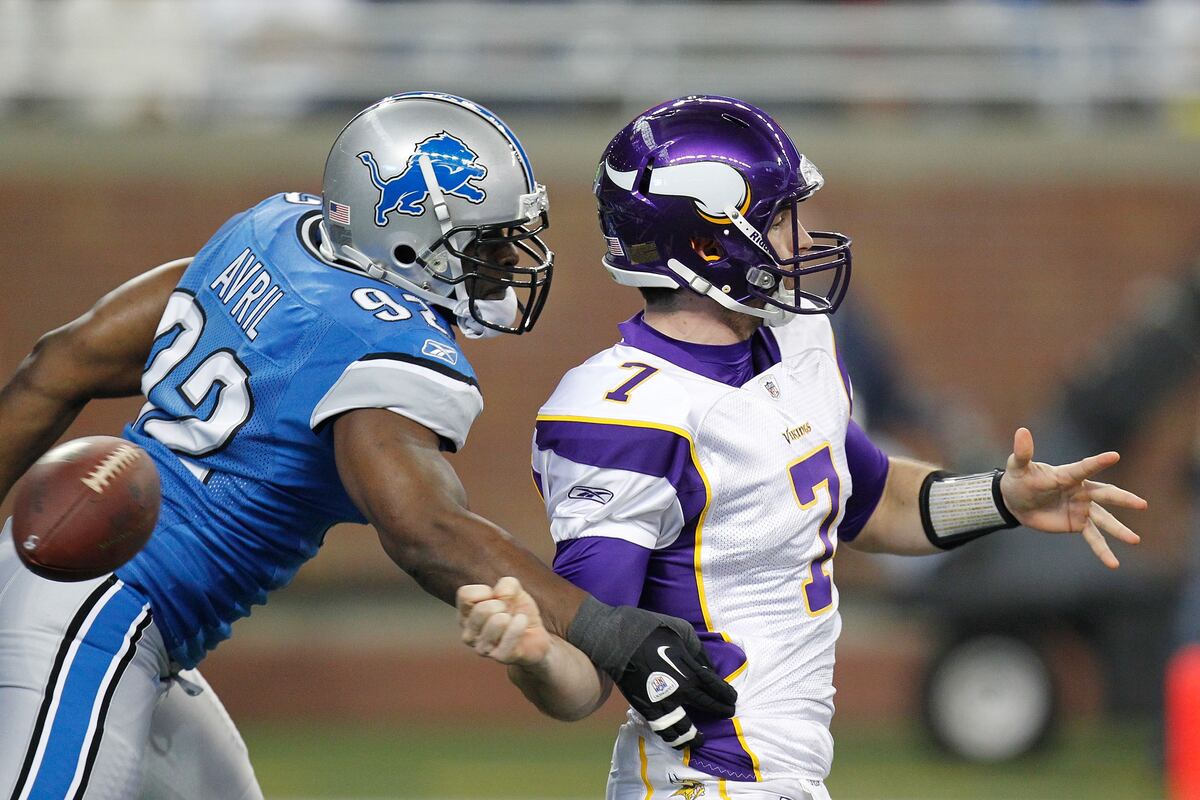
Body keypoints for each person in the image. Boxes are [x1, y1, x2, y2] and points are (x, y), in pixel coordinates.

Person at [0, 92, 735, 800]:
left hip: (88, 592)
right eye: (486, 242)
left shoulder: (273, 232)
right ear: (408, 235)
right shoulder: (383, 341)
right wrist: (611, 631)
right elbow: (423, 531)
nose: (507, 261)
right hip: (104, 608)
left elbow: (58, 362)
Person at [456, 95, 1148, 800]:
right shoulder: (627, 411)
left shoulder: (796, 343)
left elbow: (874, 503)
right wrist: (533, 654)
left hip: (786, 777)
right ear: (706, 242)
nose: (802, 234)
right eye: (781, 216)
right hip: (704, 782)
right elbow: (586, 671)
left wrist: (1000, 497)